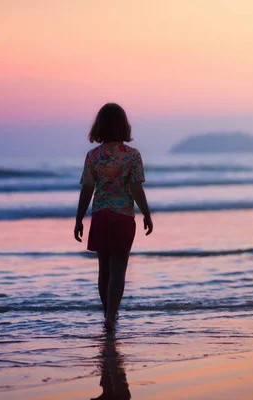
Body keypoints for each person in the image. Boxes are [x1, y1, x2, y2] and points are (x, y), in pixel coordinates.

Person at [74, 103, 153, 332]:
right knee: (119, 271)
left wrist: (79, 219)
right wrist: (146, 213)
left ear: (99, 126)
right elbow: (136, 188)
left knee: (103, 270)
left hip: (100, 216)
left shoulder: (93, 156)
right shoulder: (133, 156)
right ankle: (111, 314)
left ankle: (108, 313)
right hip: (124, 217)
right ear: (123, 126)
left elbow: (87, 189)